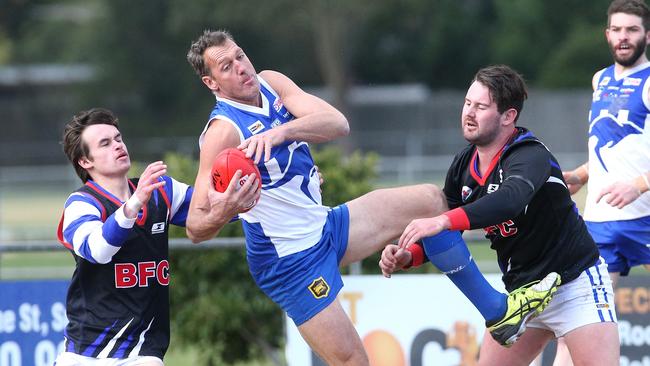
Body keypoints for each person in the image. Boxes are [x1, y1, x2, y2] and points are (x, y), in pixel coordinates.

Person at [185, 30, 559, 365]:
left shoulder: (271, 83)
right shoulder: (223, 132)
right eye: (226, 66)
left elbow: (337, 124)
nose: (240, 67)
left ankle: (497, 312)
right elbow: (196, 228)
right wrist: (227, 209)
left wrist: (283, 134)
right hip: (289, 262)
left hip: (325, 227)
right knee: (353, 362)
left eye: (240, 55)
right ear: (211, 82)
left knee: (431, 200)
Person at [380, 65, 620, 365]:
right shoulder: (463, 164)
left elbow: (509, 201)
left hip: (574, 284)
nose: (469, 113)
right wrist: (410, 255)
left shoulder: (530, 154)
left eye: (481, 107)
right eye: (468, 103)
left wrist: (441, 219)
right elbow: (447, 233)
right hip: (520, 298)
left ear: (508, 116)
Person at [54, 108, 193, 366]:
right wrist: (134, 203)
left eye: (118, 138)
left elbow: (210, 208)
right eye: (105, 143)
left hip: (142, 354)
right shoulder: (81, 204)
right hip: (86, 355)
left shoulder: (161, 192)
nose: (117, 146)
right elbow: (98, 249)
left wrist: (240, 192)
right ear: (85, 161)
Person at [560, 0, 650, 363]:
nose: (623, 37)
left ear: (647, 34)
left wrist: (639, 185)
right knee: (578, 329)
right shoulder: (600, 79)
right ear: (607, 34)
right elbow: (609, 146)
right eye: (617, 29)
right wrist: (580, 176)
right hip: (600, 220)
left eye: (632, 29)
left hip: (645, 216)